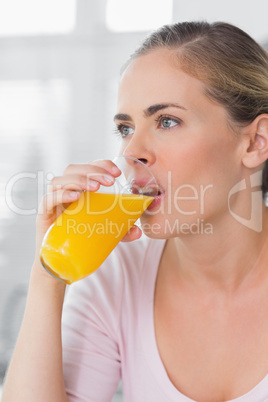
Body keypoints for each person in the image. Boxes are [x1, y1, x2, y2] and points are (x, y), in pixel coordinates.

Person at [2, 20, 268, 402]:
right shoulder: (115, 276)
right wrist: (50, 274)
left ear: (256, 142)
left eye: (167, 121)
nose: (131, 152)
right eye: (126, 128)